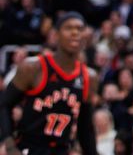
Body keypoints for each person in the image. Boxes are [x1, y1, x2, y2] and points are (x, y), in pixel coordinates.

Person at [0, 12, 98, 155]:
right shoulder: (33, 67)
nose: (75, 32)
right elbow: (4, 104)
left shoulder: (90, 77)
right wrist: (9, 144)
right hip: (29, 147)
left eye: (80, 29)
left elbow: (85, 127)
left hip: (61, 150)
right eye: (68, 28)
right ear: (56, 35)